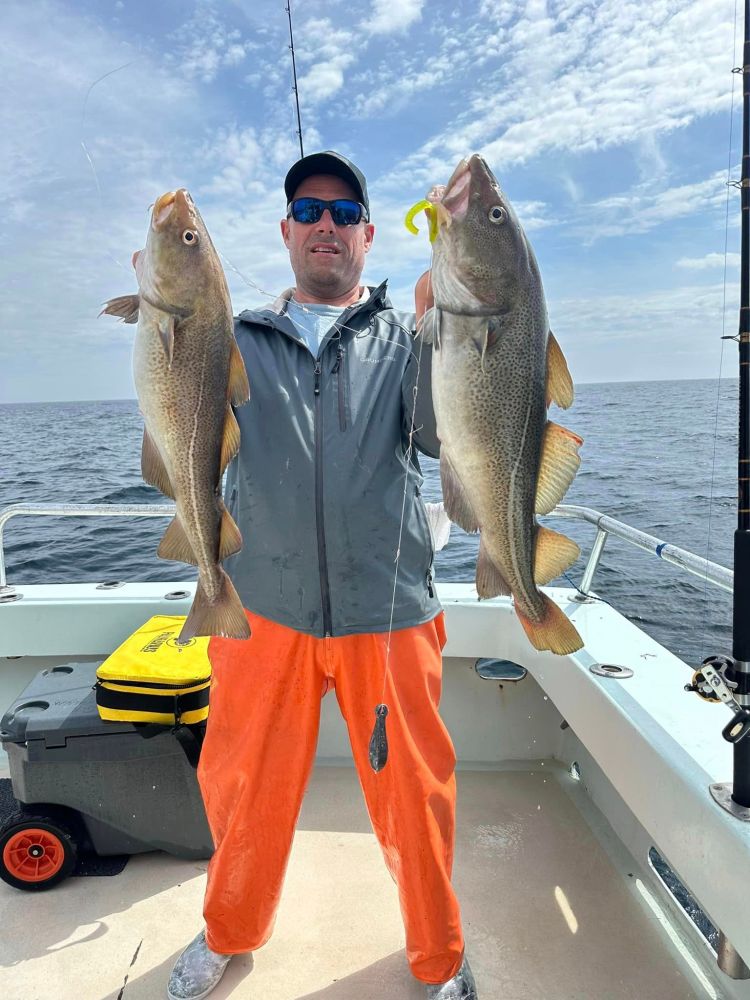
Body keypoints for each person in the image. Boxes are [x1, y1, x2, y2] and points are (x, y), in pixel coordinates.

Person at [166, 151, 478, 1000]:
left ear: (370, 235)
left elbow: (442, 441)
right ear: (286, 231)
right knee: (241, 790)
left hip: (390, 607)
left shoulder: (403, 335)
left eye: (345, 213)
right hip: (259, 605)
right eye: (308, 209)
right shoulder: (232, 335)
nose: (326, 225)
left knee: (416, 797)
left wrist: (443, 326)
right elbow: (180, 434)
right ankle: (228, 931)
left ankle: (440, 955)